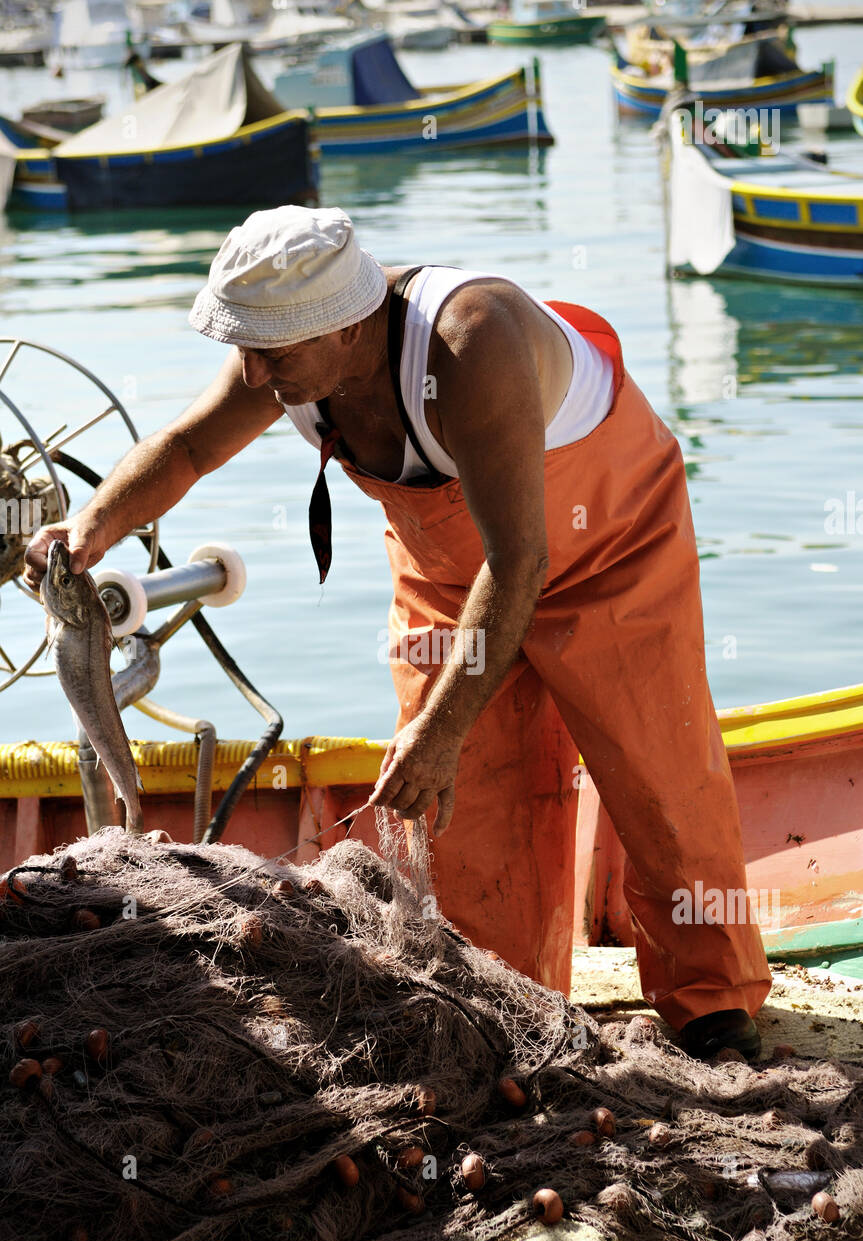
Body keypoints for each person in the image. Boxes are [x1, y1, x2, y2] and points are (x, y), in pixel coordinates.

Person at [25, 205, 772, 1059]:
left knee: (656, 771)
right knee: (456, 807)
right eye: (245, 345)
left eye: (273, 351)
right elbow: (189, 449)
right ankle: (511, 1005)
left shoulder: (470, 341)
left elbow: (521, 559)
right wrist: (90, 529)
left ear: (345, 326)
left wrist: (442, 724)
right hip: (450, 574)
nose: (255, 372)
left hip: (607, 542)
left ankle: (711, 1004)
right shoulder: (278, 357)